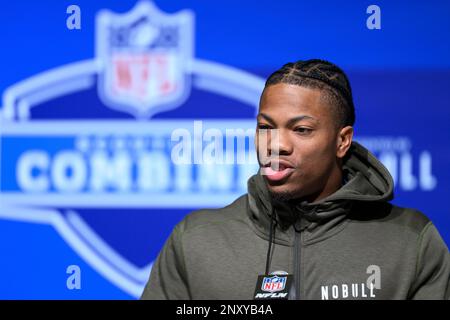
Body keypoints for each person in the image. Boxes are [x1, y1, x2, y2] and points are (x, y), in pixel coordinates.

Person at [141, 59, 450, 300]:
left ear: (343, 141)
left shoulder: (411, 243)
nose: (276, 144)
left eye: (301, 130)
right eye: (265, 127)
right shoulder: (196, 240)